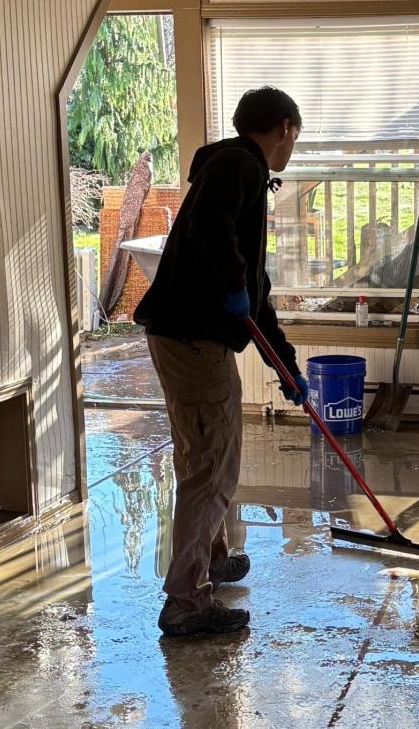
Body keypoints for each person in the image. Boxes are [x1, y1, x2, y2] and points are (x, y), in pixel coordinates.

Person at [134, 86, 308, 637]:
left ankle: (208, 559)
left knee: (199, 457)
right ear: (283, 127)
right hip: (193, 340)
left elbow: (254, 294)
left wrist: (286, 366)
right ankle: (187, 600)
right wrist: (234, 285)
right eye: (294, 138)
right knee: (213, 466)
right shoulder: (238, 165)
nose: (292, 149)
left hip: (182, 336)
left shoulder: (237, 171)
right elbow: (216, 232)